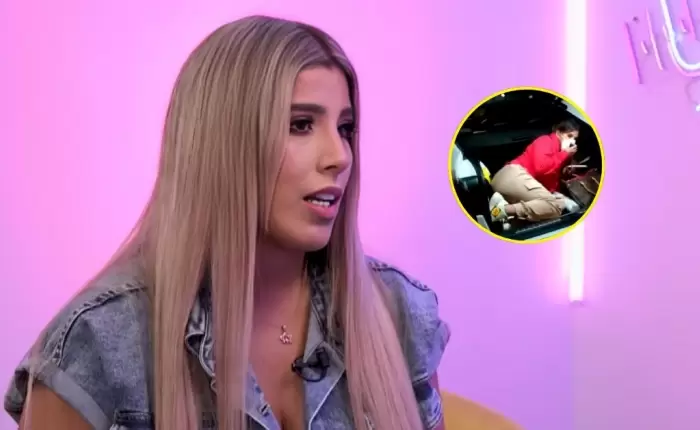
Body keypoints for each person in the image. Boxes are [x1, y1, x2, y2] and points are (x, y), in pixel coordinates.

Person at [4, 16, 450, 430]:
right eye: (301, 125)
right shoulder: (98, 344)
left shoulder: (396, 312)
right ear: (222, 143)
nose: (340, 156)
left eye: (345, 128)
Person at [488, 119, 582, 223]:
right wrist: (564, 154)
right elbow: (540, 168)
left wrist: (566, 168)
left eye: (575, 138)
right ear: (559, 132)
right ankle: (500, 210)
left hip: (514, 181)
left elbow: (548, 180)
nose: (572, 141)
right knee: (553, 206)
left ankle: (502, 212)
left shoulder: (558, 152)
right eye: (569, 136)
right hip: (512, 175)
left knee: (551, 209)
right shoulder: (546, 141)